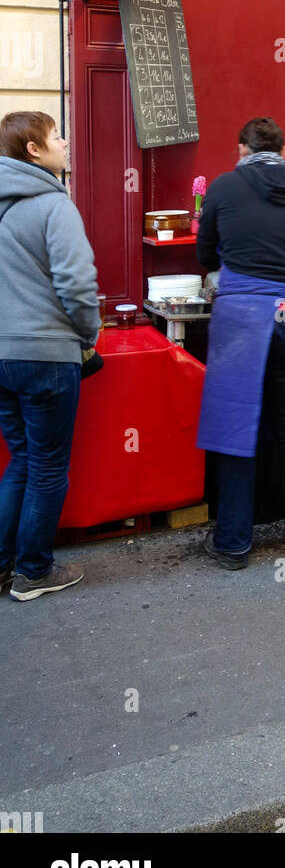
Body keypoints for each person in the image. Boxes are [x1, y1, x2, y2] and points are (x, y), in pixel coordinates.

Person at [196, 117, 285, 568]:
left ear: (242, 149)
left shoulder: (223, 187)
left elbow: (204, 252)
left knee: (236, 425)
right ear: (282, 152)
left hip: (240, 317)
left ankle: (233, 542)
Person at [0, 111, 100, 601]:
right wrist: (88, 335)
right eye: (57, 134)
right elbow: (78, 285)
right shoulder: (54, 205)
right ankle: (33, 572)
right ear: (34, 150)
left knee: (22, 458)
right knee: (45, 467)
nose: (65, 141)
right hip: (44, 352)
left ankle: (3, 566)